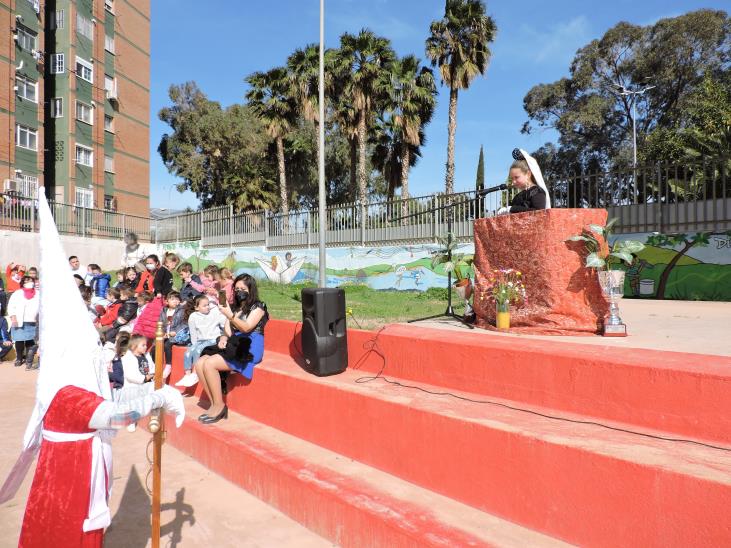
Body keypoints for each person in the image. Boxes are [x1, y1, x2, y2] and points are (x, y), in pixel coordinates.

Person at [0, 188, 184, 548]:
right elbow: (115, 415)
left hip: (76, 468)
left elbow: (112, 400)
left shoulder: (68, 382)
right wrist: (160, 397)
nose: (98, 353)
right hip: (71, 477)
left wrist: (155, 391)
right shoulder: (68, 394)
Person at [193, 274, 268, 424]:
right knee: (200, 362)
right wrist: (223, 338)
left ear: (251, 289)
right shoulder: (235, 307)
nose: (240, 291)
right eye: (237, 288)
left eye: (243, 289)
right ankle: (215, 403)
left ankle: (220, 406)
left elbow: (246, 327)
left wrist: (230, 315)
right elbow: (228, 331)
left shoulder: (258, 306)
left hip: (250, 344)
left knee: (210, 363)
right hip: (235, 341)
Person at [176, 295, 225, 388]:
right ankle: (187, 374)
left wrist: (222, 312)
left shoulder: (214, 313)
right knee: (188, 352)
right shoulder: (193, 316)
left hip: (213, 339)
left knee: (199, 350)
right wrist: (194, 345)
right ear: (196, 307)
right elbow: (193, 333)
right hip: (200, 340)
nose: (208, 307)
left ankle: (195, 373)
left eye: (208, 304)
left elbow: (223, 322)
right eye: (204, 305)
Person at [504, 149, 552, 214]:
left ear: (528, 174)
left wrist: (513, 209)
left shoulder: (537, 192)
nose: (513, 182)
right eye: (512, 178)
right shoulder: (517, 197)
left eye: (516, 177)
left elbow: (538, 212)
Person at [7, 275, 40, 370]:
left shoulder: (38, 293)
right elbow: (11, 305)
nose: (29, 283)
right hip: (19, 320)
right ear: (23, 283)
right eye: (26, 281)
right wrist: (13, 317)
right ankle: (19, 358)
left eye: (30, 281)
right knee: (19, 340)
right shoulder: (17, 293)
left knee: (30, 341)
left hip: (33, 321)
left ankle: (28, 360)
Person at [159, 291, 188, 370]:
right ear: (167, 301)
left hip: (177, 336)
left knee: (167, 344)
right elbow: (160, 323)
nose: (175, 301)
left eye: (177, 299)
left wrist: (176, 332)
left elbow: (184, 323)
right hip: (166, 335)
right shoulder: (164, 310)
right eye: (172, 299)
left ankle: (168, 365)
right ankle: (156, 366)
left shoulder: (182, 310)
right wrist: (163, 333)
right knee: (156, 346)